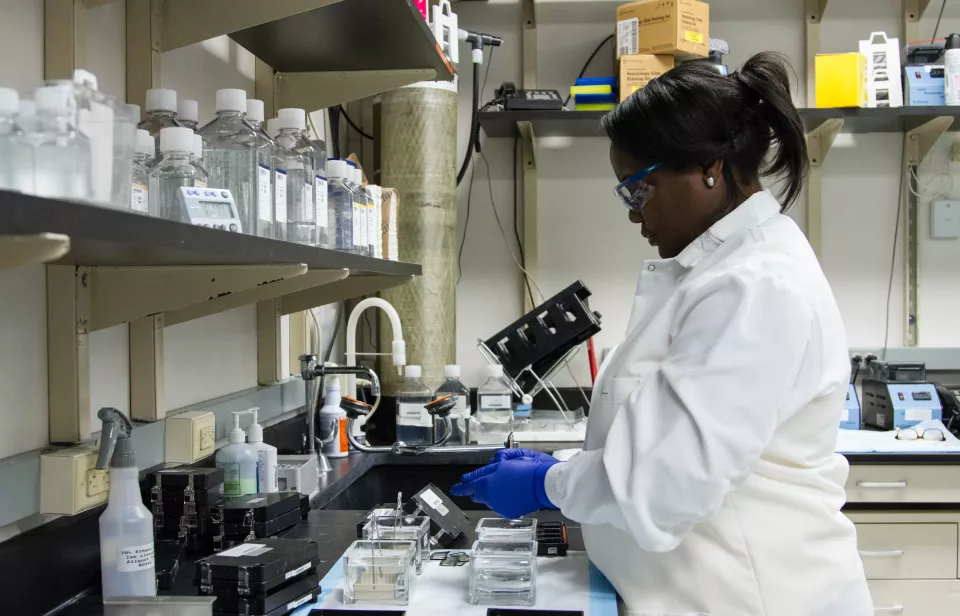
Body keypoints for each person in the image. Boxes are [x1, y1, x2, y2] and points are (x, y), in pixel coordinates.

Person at [451, 52, 872, 616]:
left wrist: (549, 483)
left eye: (637, 189)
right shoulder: (718, 273)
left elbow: (660, 483)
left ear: (710, 170)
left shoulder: (756, 286)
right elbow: (666, 430)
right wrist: (578, 463)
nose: (633, 213)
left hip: (757, 595)